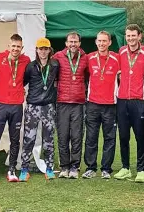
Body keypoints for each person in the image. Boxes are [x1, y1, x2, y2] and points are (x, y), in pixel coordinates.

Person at [0, 34, 31, 183]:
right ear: (8, 46)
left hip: (16, 105)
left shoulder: (26, 60)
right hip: (1, 104)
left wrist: (18, 89)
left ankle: (11, 170)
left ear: (21, 48)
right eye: (13, 46)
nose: (15, 49)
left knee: (15, 139)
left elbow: (26, 78)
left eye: (18, 46)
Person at [114, 24, 144, 182]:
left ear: (139, 36)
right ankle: (125, 168)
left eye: (133, 35)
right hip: (122, 100)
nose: (130, 38)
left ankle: (141, 169)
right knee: (123, 136)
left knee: (139, 136)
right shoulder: (121, 51)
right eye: (128, 36)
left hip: (139, 100)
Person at [18, 38, 60, 182]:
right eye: (40, 49)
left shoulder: (55, 65)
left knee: (49, 138)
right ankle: (24, 169)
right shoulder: (30, 66)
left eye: (45, 49)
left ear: (49, 50)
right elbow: (23, 82)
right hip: (32, 107)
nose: (43, 51)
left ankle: (49, 168)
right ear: (36, 50)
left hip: (48, 106)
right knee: (29, 138)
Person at [82, 31, 120, 179]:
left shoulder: (117, 58)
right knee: (91, 137)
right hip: (92, 103)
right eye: (99, 41)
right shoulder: (89, 58)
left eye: (105, 41)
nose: (102, 43)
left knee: (109, 138)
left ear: (110, 42)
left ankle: (106, 169)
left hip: (111, 104)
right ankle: (91, 167)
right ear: (96, 42)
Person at [52, 31, 89, 179]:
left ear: (79, 43)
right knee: (62, 135)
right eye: (70, 42)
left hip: (79, 103)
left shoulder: (85, 58)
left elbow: (87, 76)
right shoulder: (58, 57)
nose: (73, 44)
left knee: (77, 136)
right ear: (66, 43)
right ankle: (64, 167)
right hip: (62, 102)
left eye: (75, 42)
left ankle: (75, 166)